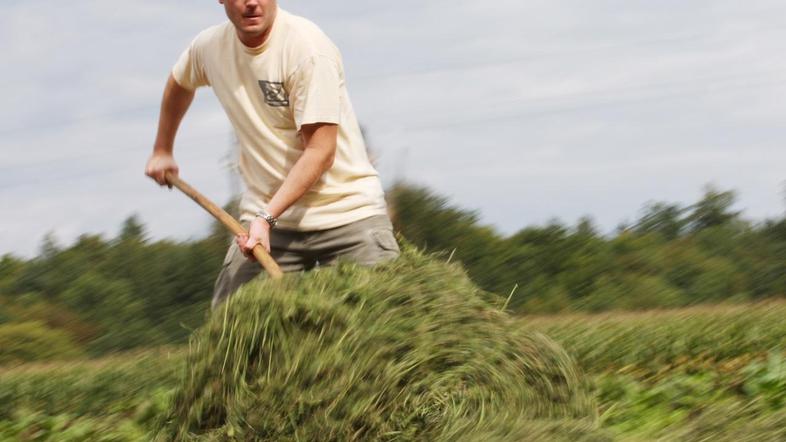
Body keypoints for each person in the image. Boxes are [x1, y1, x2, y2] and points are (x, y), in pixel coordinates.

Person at [145, 0, 399, 308]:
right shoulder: (210, 48)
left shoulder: (307, 49)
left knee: (386, 328)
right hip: (267, 226)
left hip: (347, 213)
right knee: (232, 332)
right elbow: (179, 82)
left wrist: (266, 218)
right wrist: (162, 149)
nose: (251, 2)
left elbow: (320, 152)